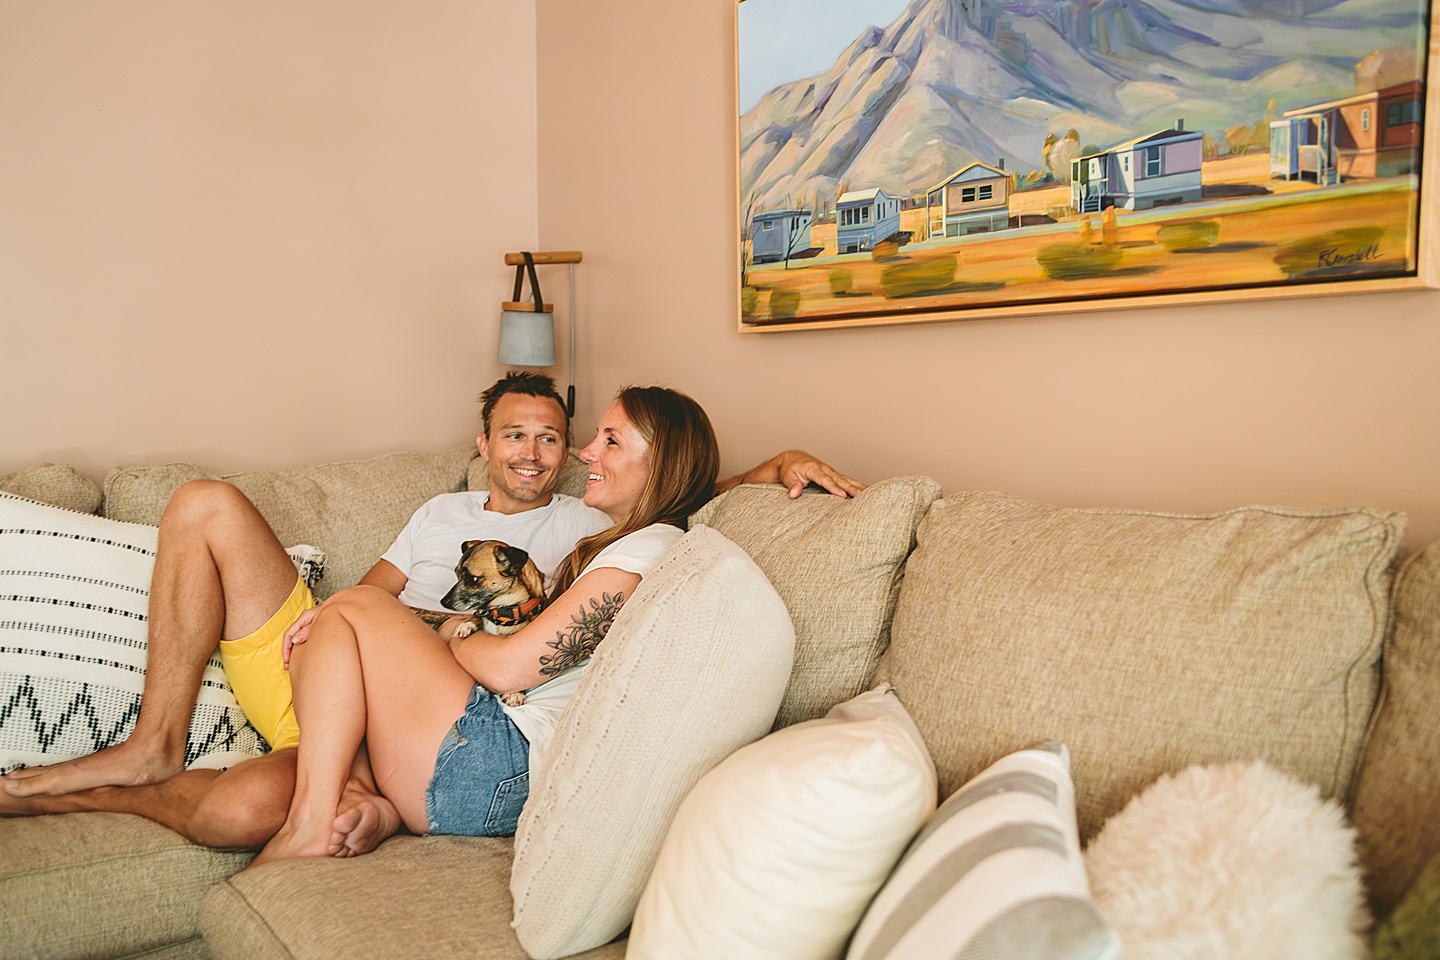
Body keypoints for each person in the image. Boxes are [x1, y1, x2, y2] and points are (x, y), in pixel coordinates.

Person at [0, 372, 864, 854]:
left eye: (560, 439)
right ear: (481, 447)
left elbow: (676, 496)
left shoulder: (586, 525)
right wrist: (346, 620)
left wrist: (764, 469)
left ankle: (75, 800)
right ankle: (157, 741)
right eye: (515, 434)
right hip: (336, 665)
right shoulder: (432, 516)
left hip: (404, 711)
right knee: (202, 503)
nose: (539, 451)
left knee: (235, 815)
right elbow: (370, 595)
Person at [250, 385, 721, 864]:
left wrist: (456, 630)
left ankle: (308, 825)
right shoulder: (622, 543)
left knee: (352, 606)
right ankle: (369, 802)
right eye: (595, 437)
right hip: (486, 756)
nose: (589, 453)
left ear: (661, 463)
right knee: (333, 624)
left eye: (611, 441)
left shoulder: (648, 547)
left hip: (498, 768)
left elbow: (507, 670)